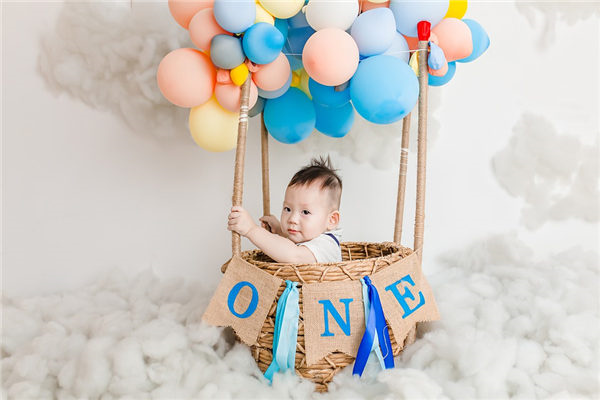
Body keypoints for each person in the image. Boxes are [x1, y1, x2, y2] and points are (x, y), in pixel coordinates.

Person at [227, 156, 342, 263]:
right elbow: (293, 246)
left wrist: (251, 230)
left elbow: (293, 255)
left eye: (305, 212)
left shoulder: (327, 245)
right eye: (287, 209)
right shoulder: (309, 237)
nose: (292, 219)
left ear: (331, 220)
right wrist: (279, 230)